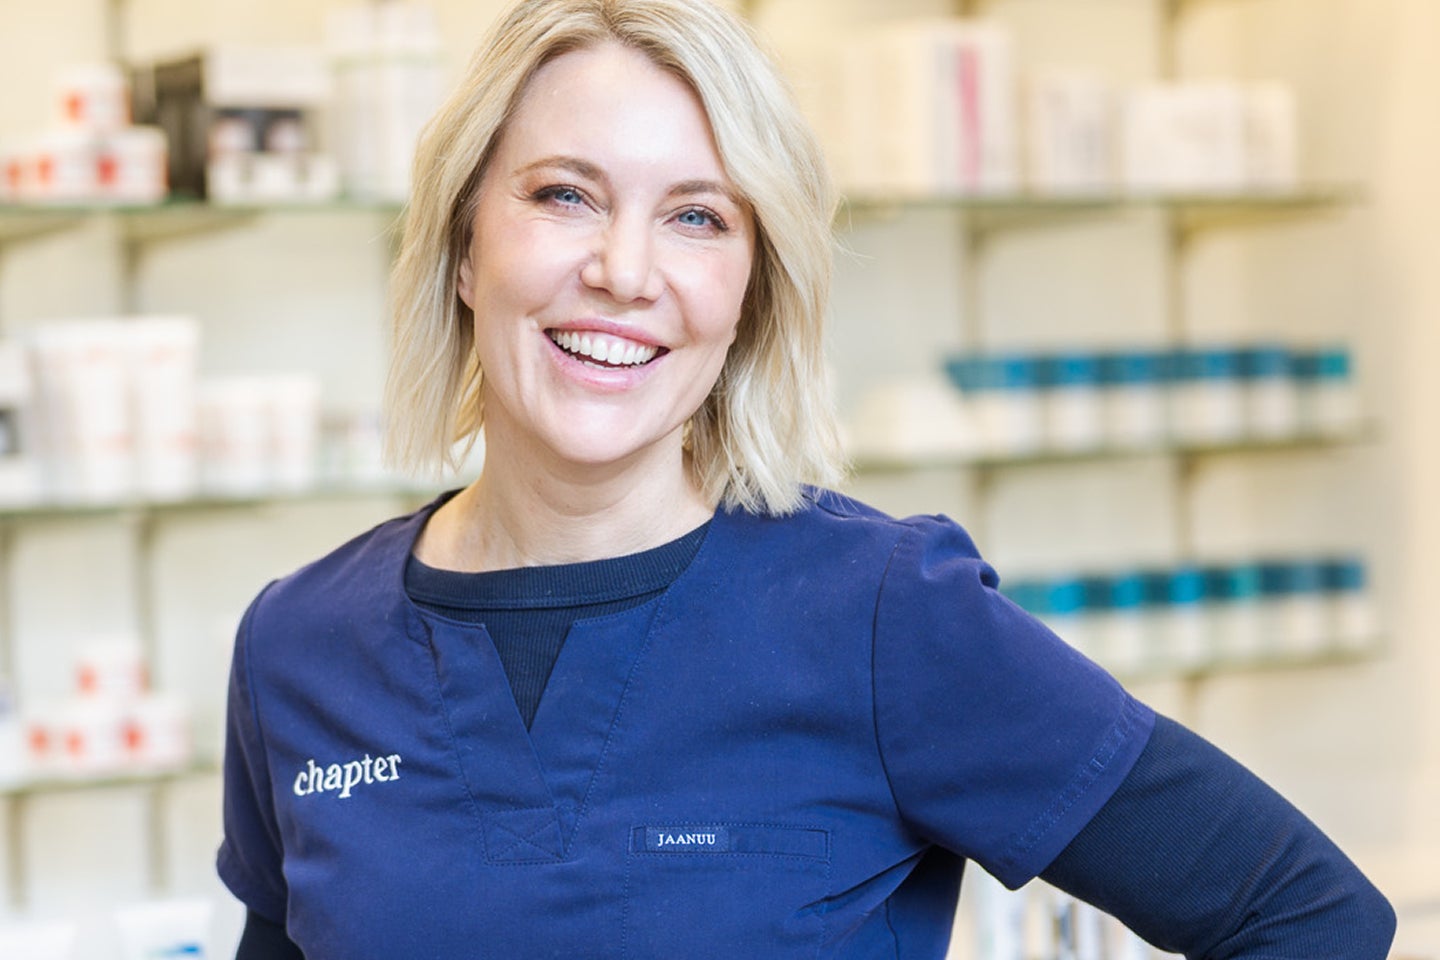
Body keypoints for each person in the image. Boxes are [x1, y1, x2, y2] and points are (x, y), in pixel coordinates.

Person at [217, 0, 1397, 957]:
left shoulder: (879, 614)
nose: (625, 271)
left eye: (697, 217)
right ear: (466, 246)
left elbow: (1302, 917)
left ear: (750, 295)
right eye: (564, 194)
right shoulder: (300, 647)